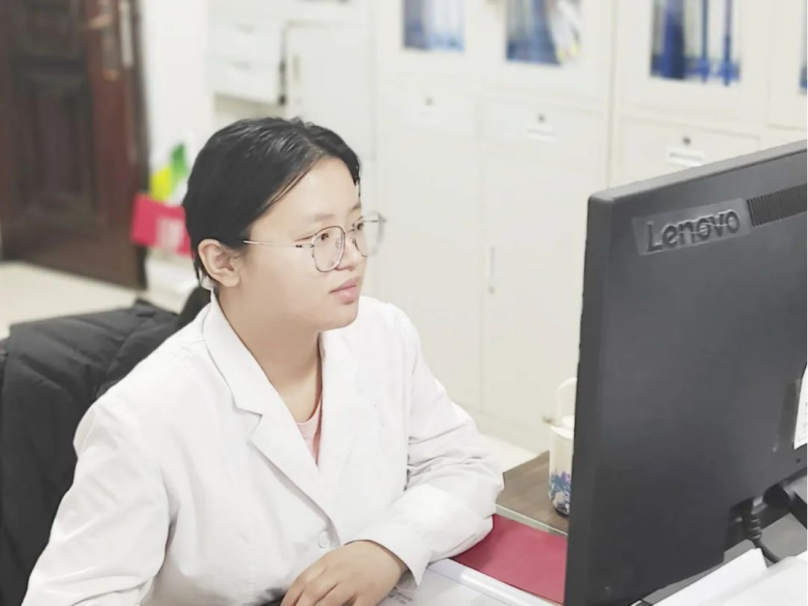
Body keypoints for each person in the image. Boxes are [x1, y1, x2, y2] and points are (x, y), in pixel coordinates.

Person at [22, 117, 503, 606]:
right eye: (319, 238)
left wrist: (387, 548)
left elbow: (464, 466)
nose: (352, 256)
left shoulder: (383, 335)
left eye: (356, 227)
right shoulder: (142, 420)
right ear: (223, 262)